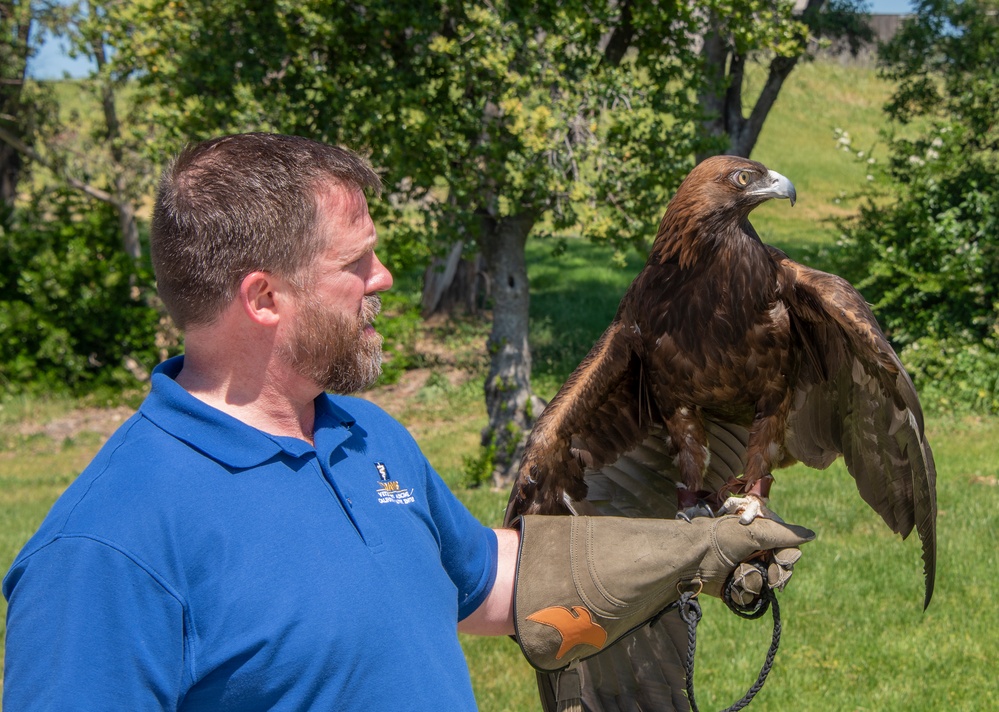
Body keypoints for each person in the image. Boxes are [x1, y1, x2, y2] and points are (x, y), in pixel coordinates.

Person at [3, 133, 814, 711]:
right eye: (355, 264)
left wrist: (693, 551)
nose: (385, 278)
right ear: (263, 298)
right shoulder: (107, 550)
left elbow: (483, 583)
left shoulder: (365, 439)